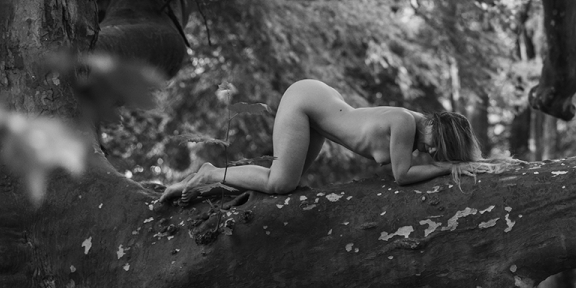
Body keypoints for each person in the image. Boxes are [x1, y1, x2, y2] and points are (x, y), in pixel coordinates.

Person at [160, 78, 498, 202]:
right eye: (438, 144)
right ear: (436, 125)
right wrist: (446, 167)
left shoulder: (417, 127)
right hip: (306, 102)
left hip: (320, 108)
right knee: (279, 183)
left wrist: (466, 163)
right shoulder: (405, 123)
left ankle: (215, 185)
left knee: (288, 184)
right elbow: (402, 175)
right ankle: (209, 172)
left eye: (440, 153)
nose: (433, 151)